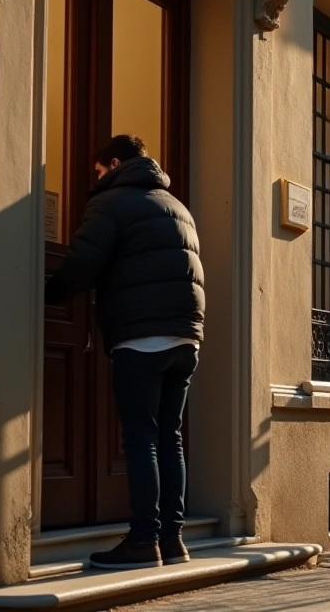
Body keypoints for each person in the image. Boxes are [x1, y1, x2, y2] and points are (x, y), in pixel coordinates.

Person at [45, 134, 205, 570]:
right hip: (186, 338)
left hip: (142, 337)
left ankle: (143, 541)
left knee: (141, 438)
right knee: (170, 438)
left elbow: (82, 263)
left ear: (114, 164)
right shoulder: (177, 206)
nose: (97, 179)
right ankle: (172, 540)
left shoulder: (111, 202)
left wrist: (45, 293)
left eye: (99, 171)